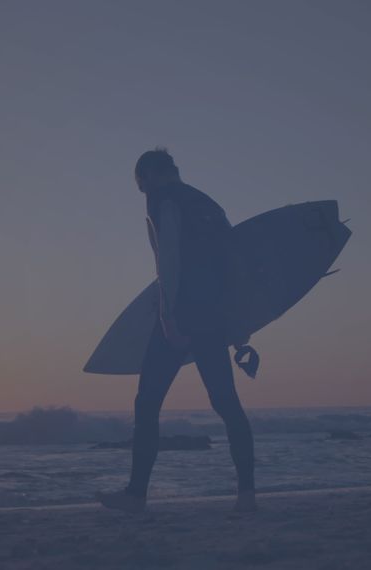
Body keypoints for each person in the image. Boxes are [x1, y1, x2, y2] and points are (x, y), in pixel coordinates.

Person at [97, 149, 257, 513]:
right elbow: (235, 264)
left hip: (182, 313)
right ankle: (247, 495)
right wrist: (239, 321)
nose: (142, 194)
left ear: (150, 175)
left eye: (141, 186)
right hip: (214, 317)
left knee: (148, 402)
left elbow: (168, 260)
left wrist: (169, 318)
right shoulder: (209, 205)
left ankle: (136, 495)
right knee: (227, 403)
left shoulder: (163, 200)